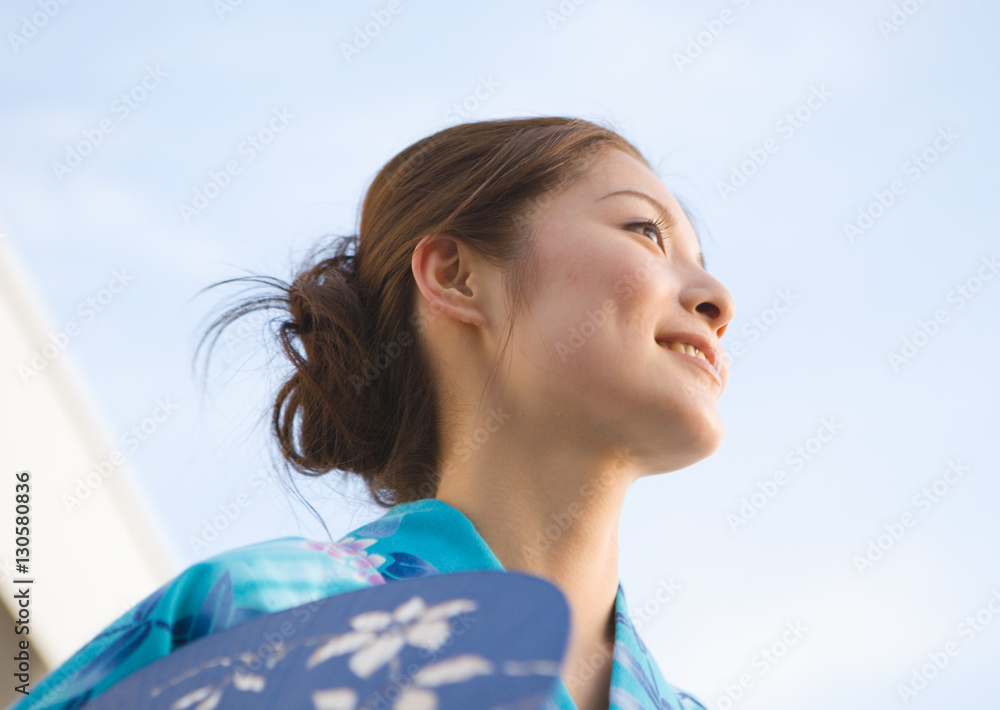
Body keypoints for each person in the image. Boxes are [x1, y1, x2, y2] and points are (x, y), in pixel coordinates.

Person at [19, 117, 734, 710]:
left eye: (701, 257)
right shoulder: (260, 623)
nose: (717, 298)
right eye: (646, 231)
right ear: (456, 276)